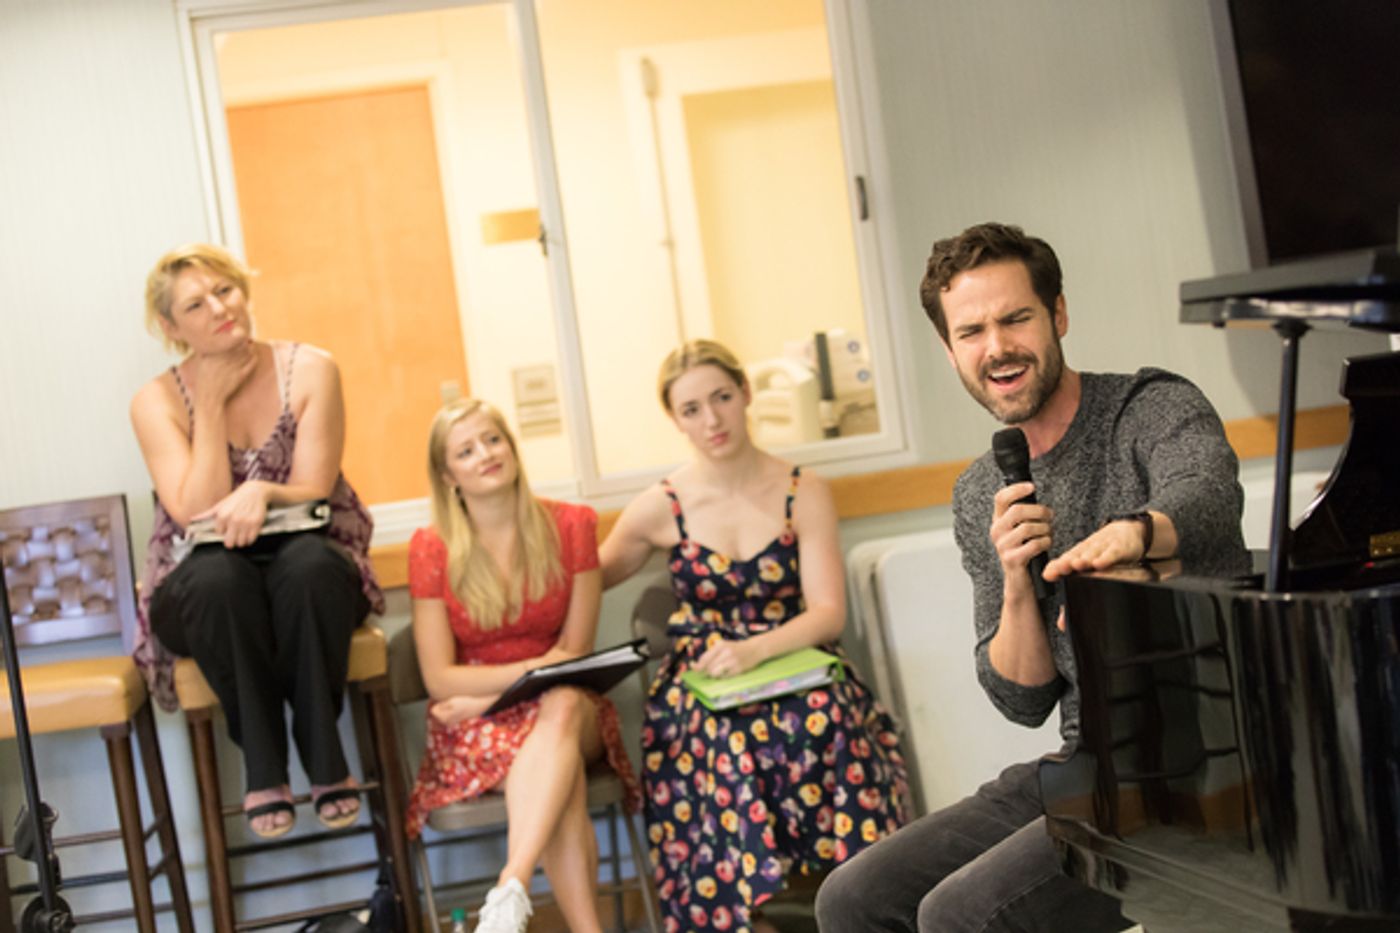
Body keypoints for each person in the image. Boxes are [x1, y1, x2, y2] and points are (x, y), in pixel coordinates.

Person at [814, 222, 1252, 932]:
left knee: (959, 915)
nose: (997, 348)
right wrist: (1018, 576)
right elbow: (1022, 698)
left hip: (1205, 758)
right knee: (853, 897)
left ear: (1058, 314)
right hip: (1088, 756)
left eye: (1015, 318)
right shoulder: (980, 489)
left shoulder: (1150, 408)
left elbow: (1206, 495)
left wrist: (1131, 536)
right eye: (972, 331)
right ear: (949, 348)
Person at [601, 339, 911, 933]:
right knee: (717, 740)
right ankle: (743, 921)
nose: (712, 419)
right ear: (675, 419)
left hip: (793, 655)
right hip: (703, 677)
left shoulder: (804, 489)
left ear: (745, 395)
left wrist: (753, 650)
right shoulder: (661, 505)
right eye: (691, 409)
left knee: (834, 716)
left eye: (721, 398)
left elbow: (827, 612)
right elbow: (585, 577)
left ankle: (867, 906)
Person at [130, 243, 381, 839]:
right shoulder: (155, 401)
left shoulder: (312, 368)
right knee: (221, 577)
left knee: (311, 568)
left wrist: (265, 492)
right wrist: (210, 405)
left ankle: (324, 756)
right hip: (201, 580)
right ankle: (262, 764)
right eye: (196, 304)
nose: (220, 308)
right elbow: (194, 511)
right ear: (171, 327)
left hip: (305, 556)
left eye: (226, 289)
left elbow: (315, 485)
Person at [405, 397, 641, 933]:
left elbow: (574, 654)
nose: (486, 454)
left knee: (559, 708)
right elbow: (439, 678)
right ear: (447, 475)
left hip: (558, 705)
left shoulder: (572, 526)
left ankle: (511, 880)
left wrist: (494, 692)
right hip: (474, 726)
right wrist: (541, 667)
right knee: (562, 782)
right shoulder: (431, 548)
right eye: (465, 451)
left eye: (493, 440)